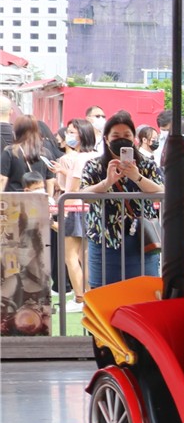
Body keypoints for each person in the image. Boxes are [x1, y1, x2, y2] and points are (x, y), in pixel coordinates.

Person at [79, 111, 164, 288]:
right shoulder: (94, 166)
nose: (121, 140)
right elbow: (84, 196)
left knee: (144, 293)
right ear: (106, 139)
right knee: (103, 294)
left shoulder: (147, 165)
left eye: (127, 135)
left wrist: (137, 177)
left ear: (134, 138)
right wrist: (107, 182)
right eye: (116, 136)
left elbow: (162, 193)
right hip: (104, 241)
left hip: (143, 241)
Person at [52, 118, 99, 308]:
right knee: (84, 255)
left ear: (82, 135)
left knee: (70, 256)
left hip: (75, 209)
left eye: (72, 132)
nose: (68, 135)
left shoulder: (79, 158)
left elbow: (73, 189)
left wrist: (63, 210)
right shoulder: (96, 155)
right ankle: (88, 295)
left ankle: (80, 297)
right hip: (92, 209)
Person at [1, 211, 51, 335]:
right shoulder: (13, 281)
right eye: (18, 246)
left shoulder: (47, 277)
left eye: (23, 246)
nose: (17, 250)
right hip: (16, 339)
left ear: (36, 249)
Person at [0, 116, 55, 193]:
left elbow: (2, 179)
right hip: (38, 197)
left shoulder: (10, 151)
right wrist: (49, 197)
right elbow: (50, 181)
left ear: (17, 131)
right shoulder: (46, 153)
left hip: (15, 197)